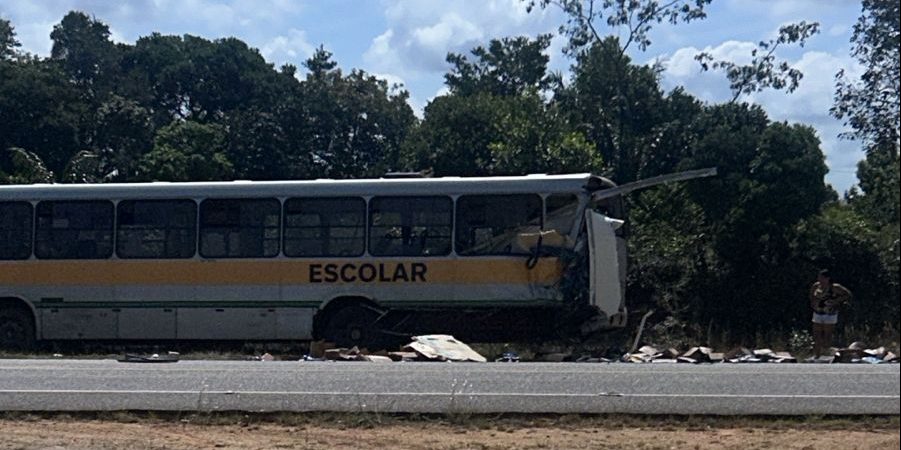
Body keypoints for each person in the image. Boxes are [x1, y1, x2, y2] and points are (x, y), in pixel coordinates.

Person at [809, 269, 852, 358]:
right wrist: (813, 303)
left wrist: (835, 301)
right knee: (816, 335)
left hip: (830, 314)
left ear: (827, 278)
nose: (820, 280)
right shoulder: (816, 286)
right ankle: (816, 355)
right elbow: (811, 295)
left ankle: (828, 352)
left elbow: (847, 294)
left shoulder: (834, 287)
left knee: (827, 336)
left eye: (822, 278)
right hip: (818, 312)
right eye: (819, 277)